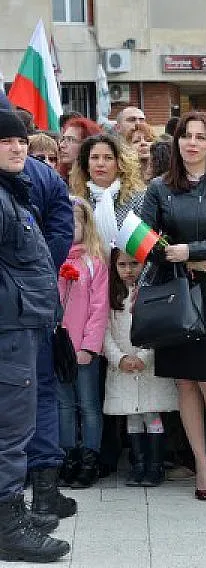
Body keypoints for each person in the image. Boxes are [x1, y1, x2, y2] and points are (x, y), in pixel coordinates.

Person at [141, 111, 206, 501]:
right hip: (175, 292)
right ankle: (201, 462)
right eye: (186, 136)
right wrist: (188, 259)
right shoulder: (158, 188)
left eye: (201, 137)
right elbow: (145, 242)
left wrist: (194, 251)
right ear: (177, 142)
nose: (193, 143)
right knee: (185, 381)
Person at [0, 111, 70, 562]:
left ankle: (11, 513)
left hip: (21, 326)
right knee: (10, 430)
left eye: (20, 139)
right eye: (6, 141)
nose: (18, 147)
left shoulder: (13, 192)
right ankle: (9, 527)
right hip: (8, 330)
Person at [21, 154, 76, 526]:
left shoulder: (42, 177)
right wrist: (39, 273)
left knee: (38, 392)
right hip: (36, 300)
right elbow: (61, 234)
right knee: (41, 391)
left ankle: (41, 492)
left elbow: (61, 231)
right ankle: (43, 494)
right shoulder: (45, 176)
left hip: (32, 300)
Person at [102, 248, 177, 487]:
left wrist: (144, 357)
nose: (128, 270)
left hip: (148, 366)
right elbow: (104, 333)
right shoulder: (111, 296)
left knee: (151, 412)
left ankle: (155, 465)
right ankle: (138, 464)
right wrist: (119, 358)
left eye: (134, 264)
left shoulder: (151, 293)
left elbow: (160, 328)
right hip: (122, 366)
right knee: (132, 415)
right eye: (122, 265)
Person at [56, 199, 109, 489]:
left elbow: (98, 309)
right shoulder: (53, 259)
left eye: (74, 221)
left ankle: (90, 458)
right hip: (58, 348)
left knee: (88, 405)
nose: (69, 227)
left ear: (86, 225)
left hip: (84, 349)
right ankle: (68, 456)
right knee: (63, 405)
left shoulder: (93, 262)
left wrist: (89, 346)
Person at [69, 133, 146, 252]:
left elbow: (145, 246)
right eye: (94, 157)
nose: (100, 163)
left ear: (120, 164)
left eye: (108, 158)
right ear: (86, 165)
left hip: (129, 267)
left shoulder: (137, 198)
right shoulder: (77, 201)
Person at [57, 117, 102, 182]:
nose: (62, 145)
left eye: (70, 140)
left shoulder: (99, 183)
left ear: (87, 145)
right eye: (63, 139)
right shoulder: (58, 178)